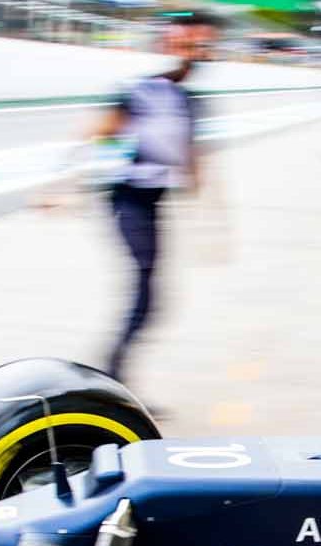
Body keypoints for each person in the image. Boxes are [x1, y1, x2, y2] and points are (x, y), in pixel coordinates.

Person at [92, 22, 212, 386]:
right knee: (146, 291)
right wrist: (62, 183)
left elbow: (193, 157)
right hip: (127, 200)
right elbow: (99, 132)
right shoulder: (139, 90)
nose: (195, 54)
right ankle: (111, 375)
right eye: (187, 46)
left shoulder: (190, 102)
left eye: (200, 48)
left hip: (152, 204)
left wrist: (208, 215)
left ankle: (114, 373)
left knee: (151, 298)